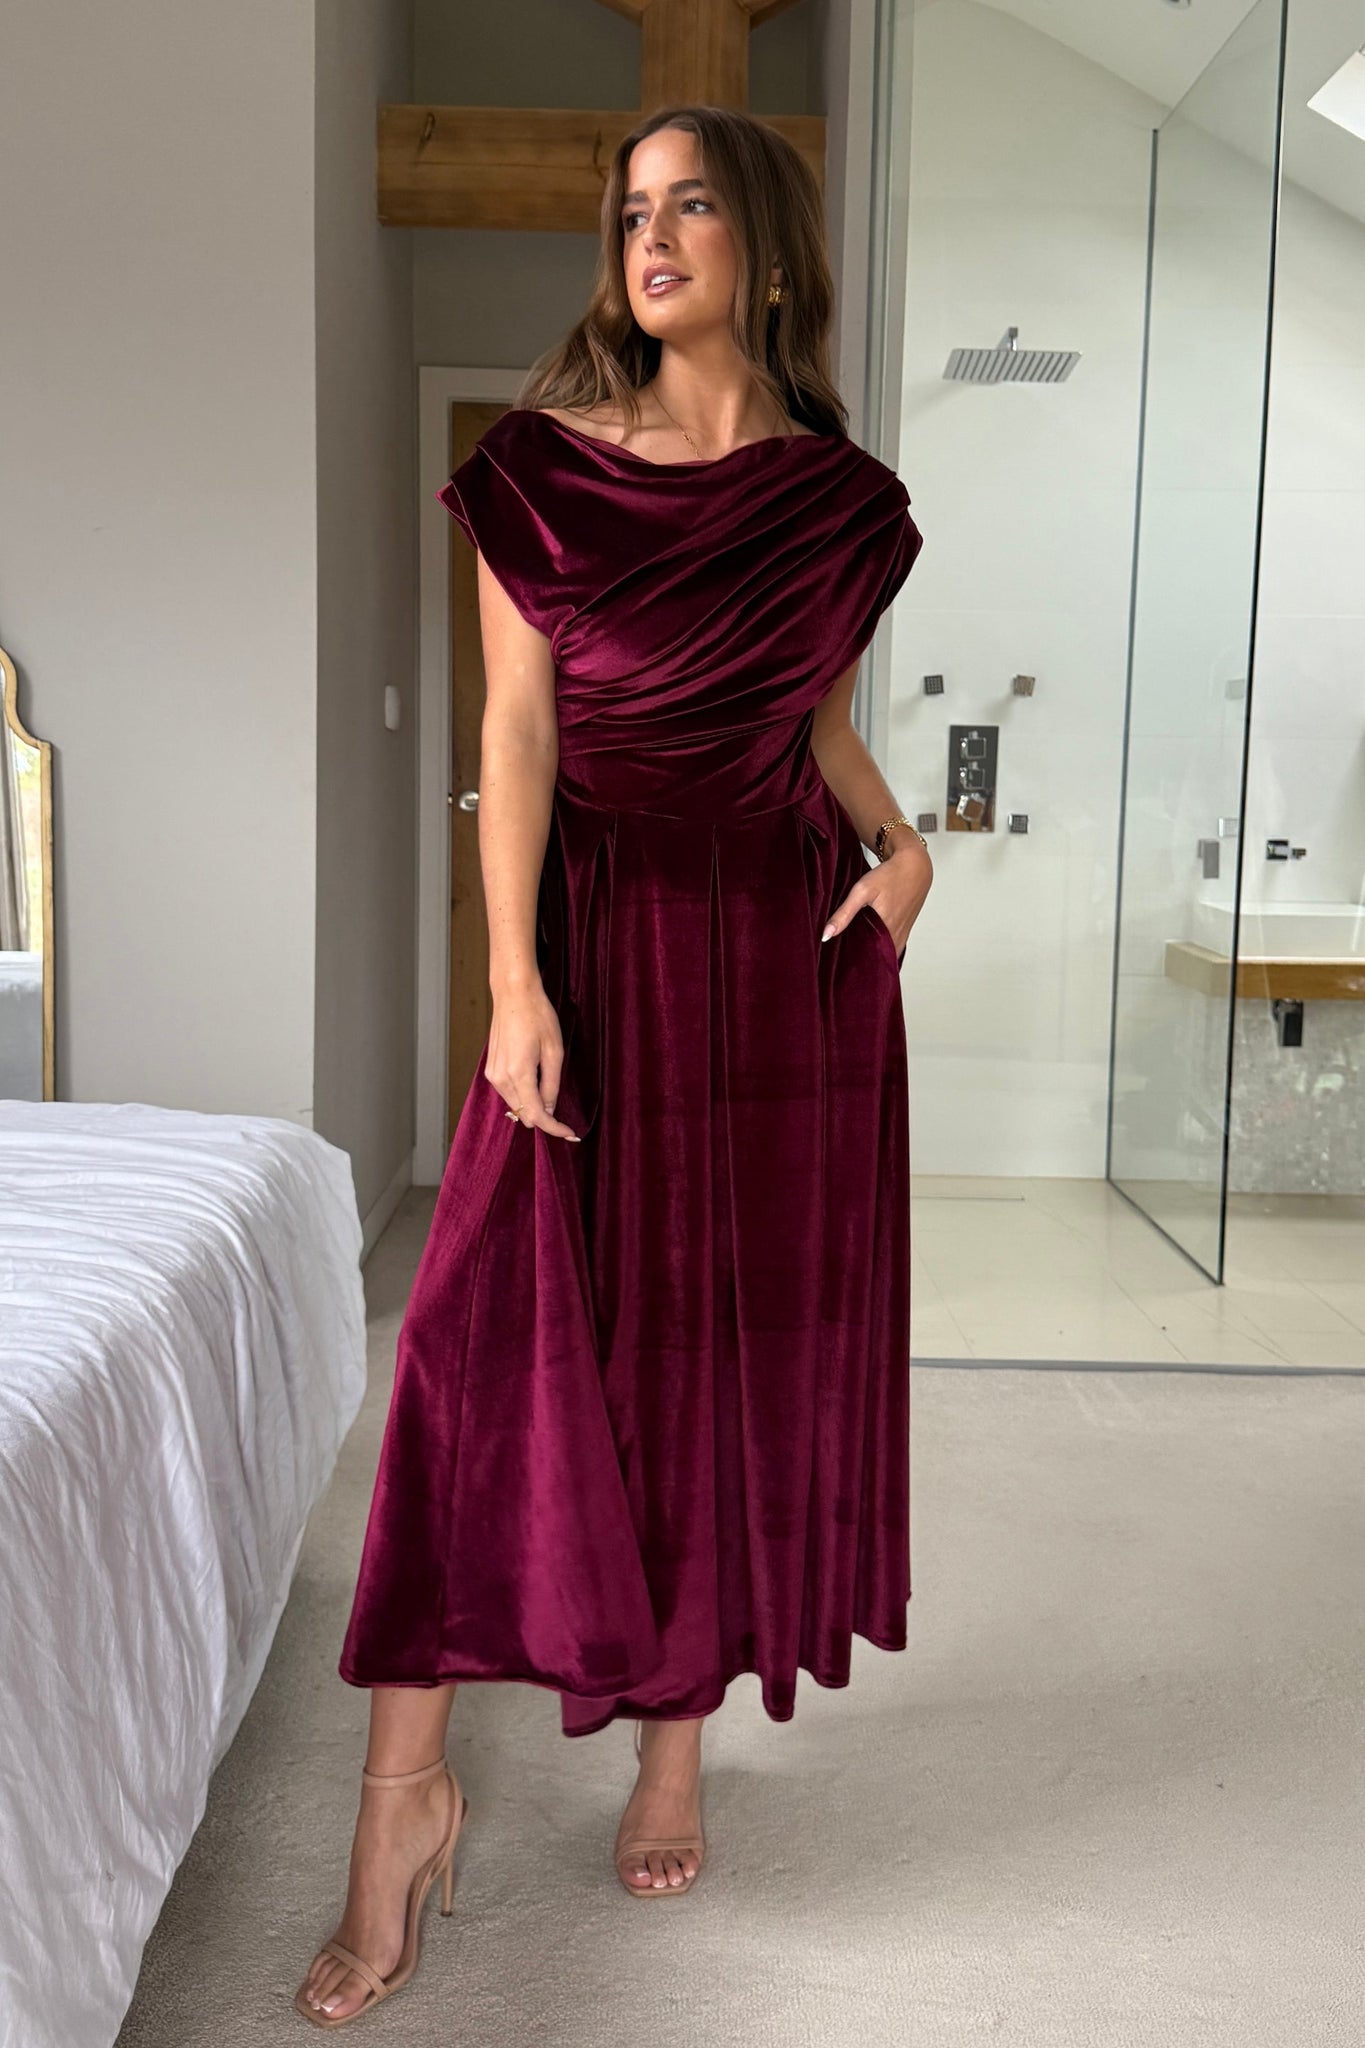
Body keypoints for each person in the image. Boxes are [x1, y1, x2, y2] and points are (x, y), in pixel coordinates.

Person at [296, 100, 929, 2027]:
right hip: (593, 934)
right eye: (630, 209)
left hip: (781, 957)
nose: (649, 237)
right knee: (469, 1356)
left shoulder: (844, 503)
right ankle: (400, 1802)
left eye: (690, 204)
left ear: (765, 245)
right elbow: (517, 730)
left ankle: (673, 1745)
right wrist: (510, 978)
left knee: (716, 1352)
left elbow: (812, 727)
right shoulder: (540, 473)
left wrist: (905, 849)